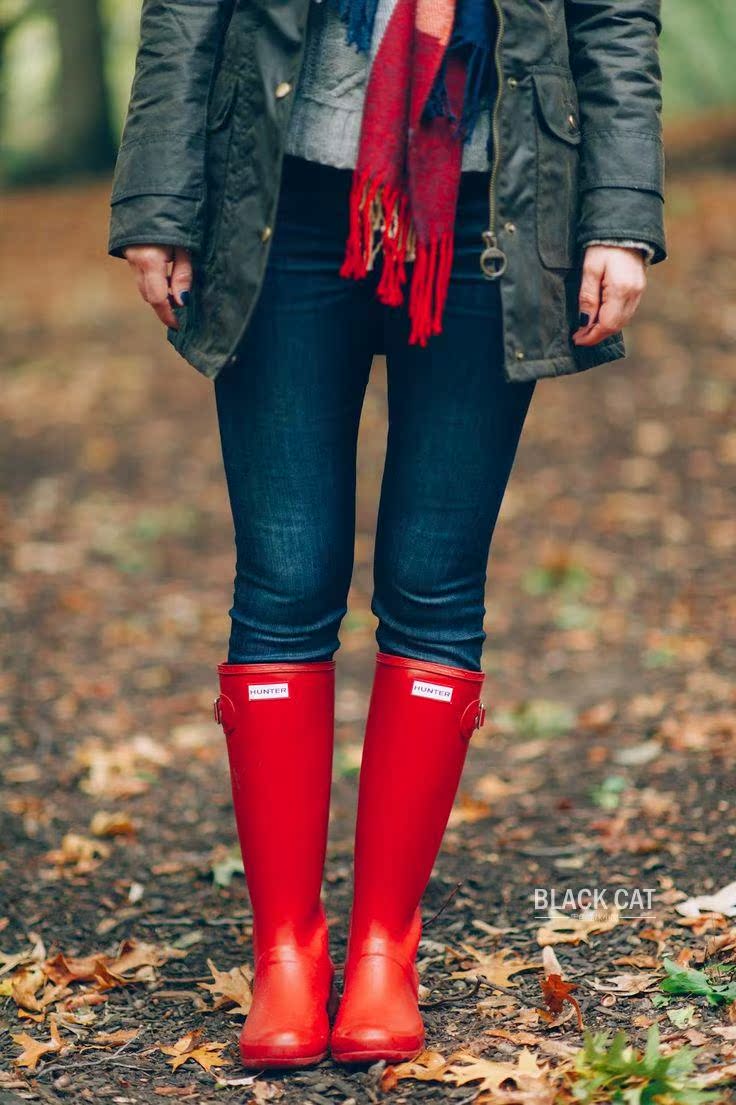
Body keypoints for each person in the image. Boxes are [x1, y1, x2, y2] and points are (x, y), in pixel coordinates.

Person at [108, 0, 666, 1070]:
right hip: (281, 209)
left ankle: (380, 949)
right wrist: (158, 201)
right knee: (282, 576)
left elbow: (612, 22)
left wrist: (619, 217)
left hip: (490, 217)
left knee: (435, 581)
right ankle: (284, 952)